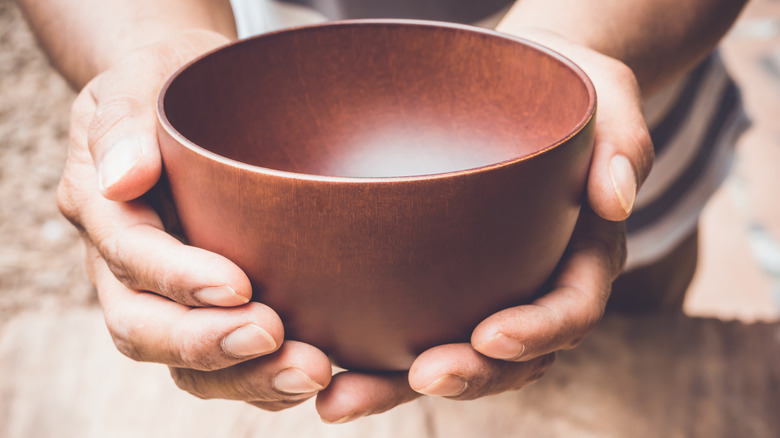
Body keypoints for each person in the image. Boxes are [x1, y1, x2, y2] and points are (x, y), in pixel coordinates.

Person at [17, 0, 747, 424]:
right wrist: (149, 49)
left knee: (623, 351)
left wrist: (577, 49)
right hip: (254, 69)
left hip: (590, 111)